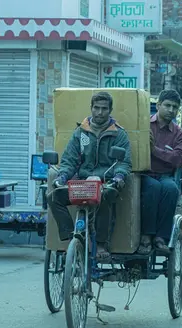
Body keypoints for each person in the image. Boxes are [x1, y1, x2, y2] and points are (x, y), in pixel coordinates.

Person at [48, 91, 132, 260]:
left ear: (110, 110)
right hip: (82, 183)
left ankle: (101, 243)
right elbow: (69, 159)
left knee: (105, 197)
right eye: (96, 108)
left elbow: (124, 163)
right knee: (53, 196)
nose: (100, 112)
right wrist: (62, 177)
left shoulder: (119, 134)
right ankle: (71, 238)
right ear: (91, 108)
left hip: (106, 182)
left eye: (104, 109)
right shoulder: (80, 132)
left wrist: (118, 178)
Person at [138, 89, 182, 254]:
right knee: (152, 187)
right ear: (158, 105)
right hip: (144, 175)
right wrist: (165, 154)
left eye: (175, 107)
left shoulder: (180, 135)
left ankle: (161, 237)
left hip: (166, 176)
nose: (171, 110)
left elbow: (179, 159)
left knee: (171, 189)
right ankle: (146, 235)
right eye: (167, 105)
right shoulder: (144, 125)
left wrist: (154, 150)